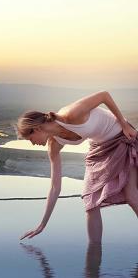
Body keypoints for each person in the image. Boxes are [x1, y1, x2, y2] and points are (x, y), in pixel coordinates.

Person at [15, 90, 138, 243]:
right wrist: (42, 224)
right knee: (90, 202)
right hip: (99, 147)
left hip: (121, 136)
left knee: (132, 195)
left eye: (30, 138)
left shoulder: (70, 114)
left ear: (37, 129)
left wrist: (124, 124)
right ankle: (94, 255)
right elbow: (55, 187)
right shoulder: (53, 145)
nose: (32, 143)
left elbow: (104, 95)